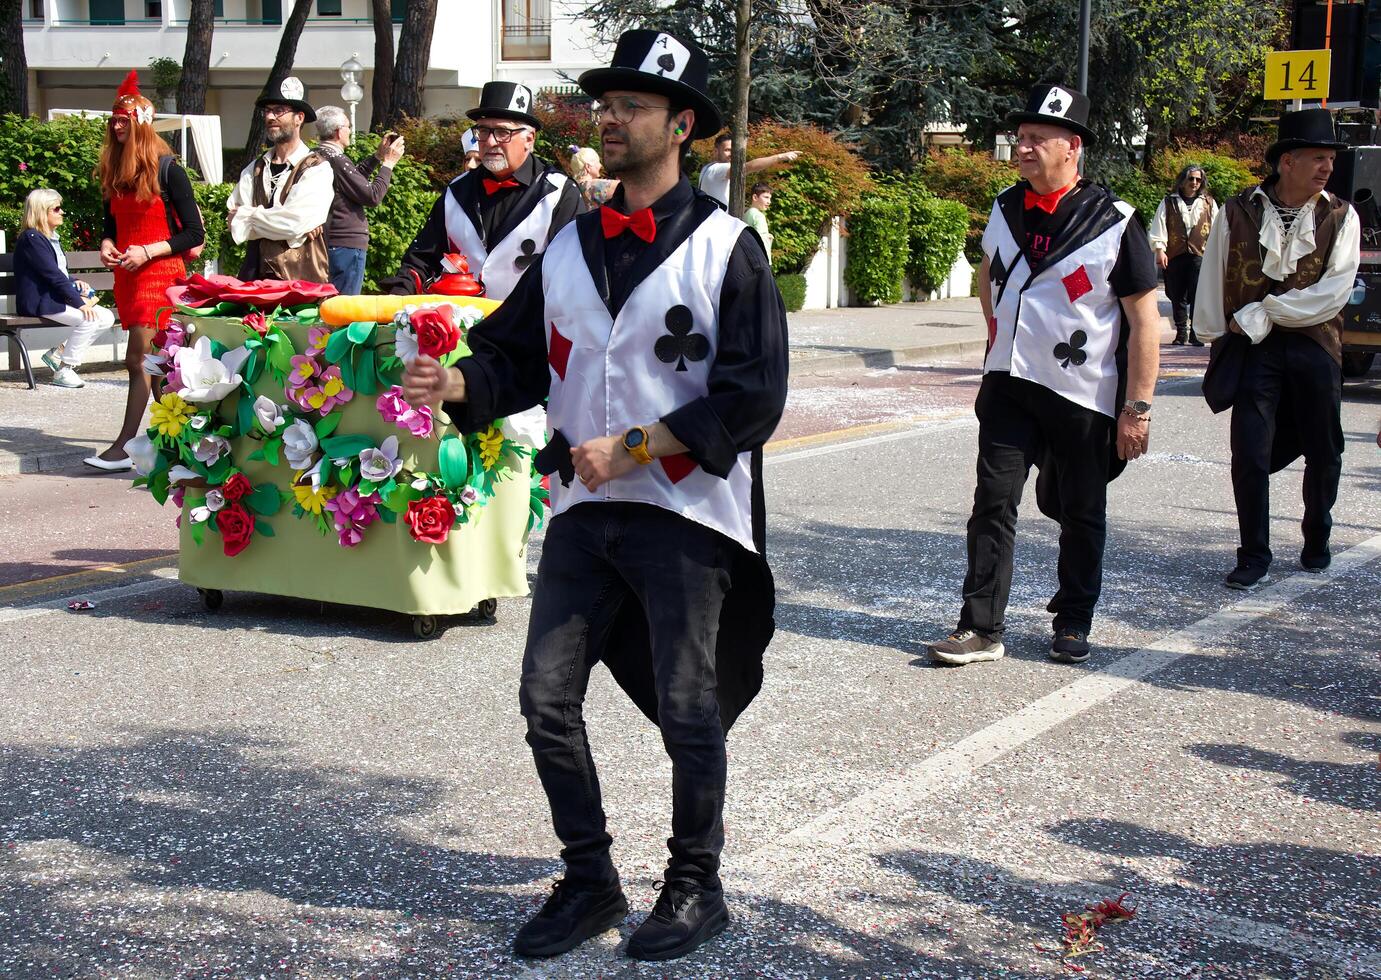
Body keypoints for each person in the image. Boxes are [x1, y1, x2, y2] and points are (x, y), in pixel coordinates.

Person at [401, 29, 787, 963]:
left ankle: (696, 884)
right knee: (545, 701)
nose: (609, 119)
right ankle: (589, 879)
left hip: (687, 517)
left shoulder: (730, 248)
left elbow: (753, 396)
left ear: (681, 125)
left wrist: (639, 446)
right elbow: (511, 355)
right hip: (582, 513)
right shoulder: (570, 245)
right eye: (605, 105)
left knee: (689, 706)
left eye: (633, 107)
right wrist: (455, 385)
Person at [926, 83, 1160, 668]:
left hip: (1082, 393)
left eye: (1037, 139)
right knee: (992, 503)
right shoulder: (1003, 208)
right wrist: (998, 340)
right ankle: (980, 627)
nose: (1023, 147)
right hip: (1008, 385)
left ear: (1072, 147)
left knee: (1081, 510)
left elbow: (1143, 319)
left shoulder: (1115, 222)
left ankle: (1074, 618)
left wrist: (1137, 408)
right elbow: (989, 276)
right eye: (1021, 138)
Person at [1194, 108, 1360, 589]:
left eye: (1330, 158)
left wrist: (1263, 311)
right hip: (1254, 349)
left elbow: (1333, 292)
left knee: (1324, 448)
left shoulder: (1341, 216)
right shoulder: (1236, 210)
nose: (1327, 166)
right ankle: (1253, 554)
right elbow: (1213, 275)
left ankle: (1317, 536)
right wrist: (1214, 331)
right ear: (1287, 161)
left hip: (1315, 344)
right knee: (1249, 450)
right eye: (1317, 157)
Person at [86, 71, 205, 471]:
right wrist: (107, 245)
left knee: (138, 360)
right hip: (129, 275)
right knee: (155, 367)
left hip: (160, 275)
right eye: (114, 120)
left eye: (125, 120)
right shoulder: (115, 171)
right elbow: (110, 226)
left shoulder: (169, 168)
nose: (117, 125)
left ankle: (124, 447)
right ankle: (186, 443)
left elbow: (194, 232)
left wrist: (148, 251)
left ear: (141, 124)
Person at [390, 81, 579, 298]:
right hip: (463, 328)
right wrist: (399, 295)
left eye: (502, 132)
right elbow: (422, 259)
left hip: (528, 329)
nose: (490, 141)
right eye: (483, 131)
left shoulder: (558, 193)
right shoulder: (456, 191)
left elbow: (573, 275)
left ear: (529, 138)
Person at [228, 77, 333, 283]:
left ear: (299, 118)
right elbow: (233, 221)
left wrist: (248, 218)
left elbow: (294, 223)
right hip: (254, 277)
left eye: (279, 111)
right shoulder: (255, 169)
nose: (270, 116)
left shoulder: (317, 168)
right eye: (267, 111)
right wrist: (291, 229)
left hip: (301, 281)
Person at [14, 188, 116, 389]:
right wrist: (79, 303)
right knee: (88, 318)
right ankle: (64, 369)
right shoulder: (32, 239)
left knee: (106, 317)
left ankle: (59, 352)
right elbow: (51, 275)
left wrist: (75, 280)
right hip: (40, 301)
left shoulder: (50, 237)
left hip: (52, 298)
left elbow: (58, 272)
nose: (62, 213)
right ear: (41, 211)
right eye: (57, 209)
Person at [314, 105, 405, 295]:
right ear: (339, 132)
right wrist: (388, 163)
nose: (350, 130)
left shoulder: (318, 155)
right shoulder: (337, 159)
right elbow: (372, 195)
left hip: (329, 240)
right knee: (344, 307)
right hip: (345, 243)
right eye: (348, 126)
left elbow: (351, 182)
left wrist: (377, 157)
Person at [1149, 164, 1217, 345]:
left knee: (1198, 295)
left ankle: (1196, 332)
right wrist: (1160, 250)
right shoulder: (1168, 202)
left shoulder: (1209, 203)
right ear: (1182, 180)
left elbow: (1217, 231)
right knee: (1177, 295)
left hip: (1200, 255)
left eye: (1198, 179)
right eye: (1191, 178)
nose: (1194, 182)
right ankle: (1181, 333)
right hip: (1175, 254)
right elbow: (1159, 227)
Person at [696, 132, 799, 207]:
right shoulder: (717, 169)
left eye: (734, 150)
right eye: (727, 150)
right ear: (716, 151)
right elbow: (746, 167)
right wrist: (779, 157)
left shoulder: (707, 168)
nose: (732, 154)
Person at [567, 144, 619, 210]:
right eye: (598, 162)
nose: (600, 165)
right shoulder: (595, 187)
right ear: (588, 167)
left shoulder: (571, 187)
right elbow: (627, 187)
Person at [742, 181, 773, 262]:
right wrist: (768, 238)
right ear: (755, 197)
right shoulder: (759, 216)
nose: (769, 202)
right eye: (766, 197)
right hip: (761, 259)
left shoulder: (747, 213)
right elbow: (761, 240)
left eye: (770, 198)